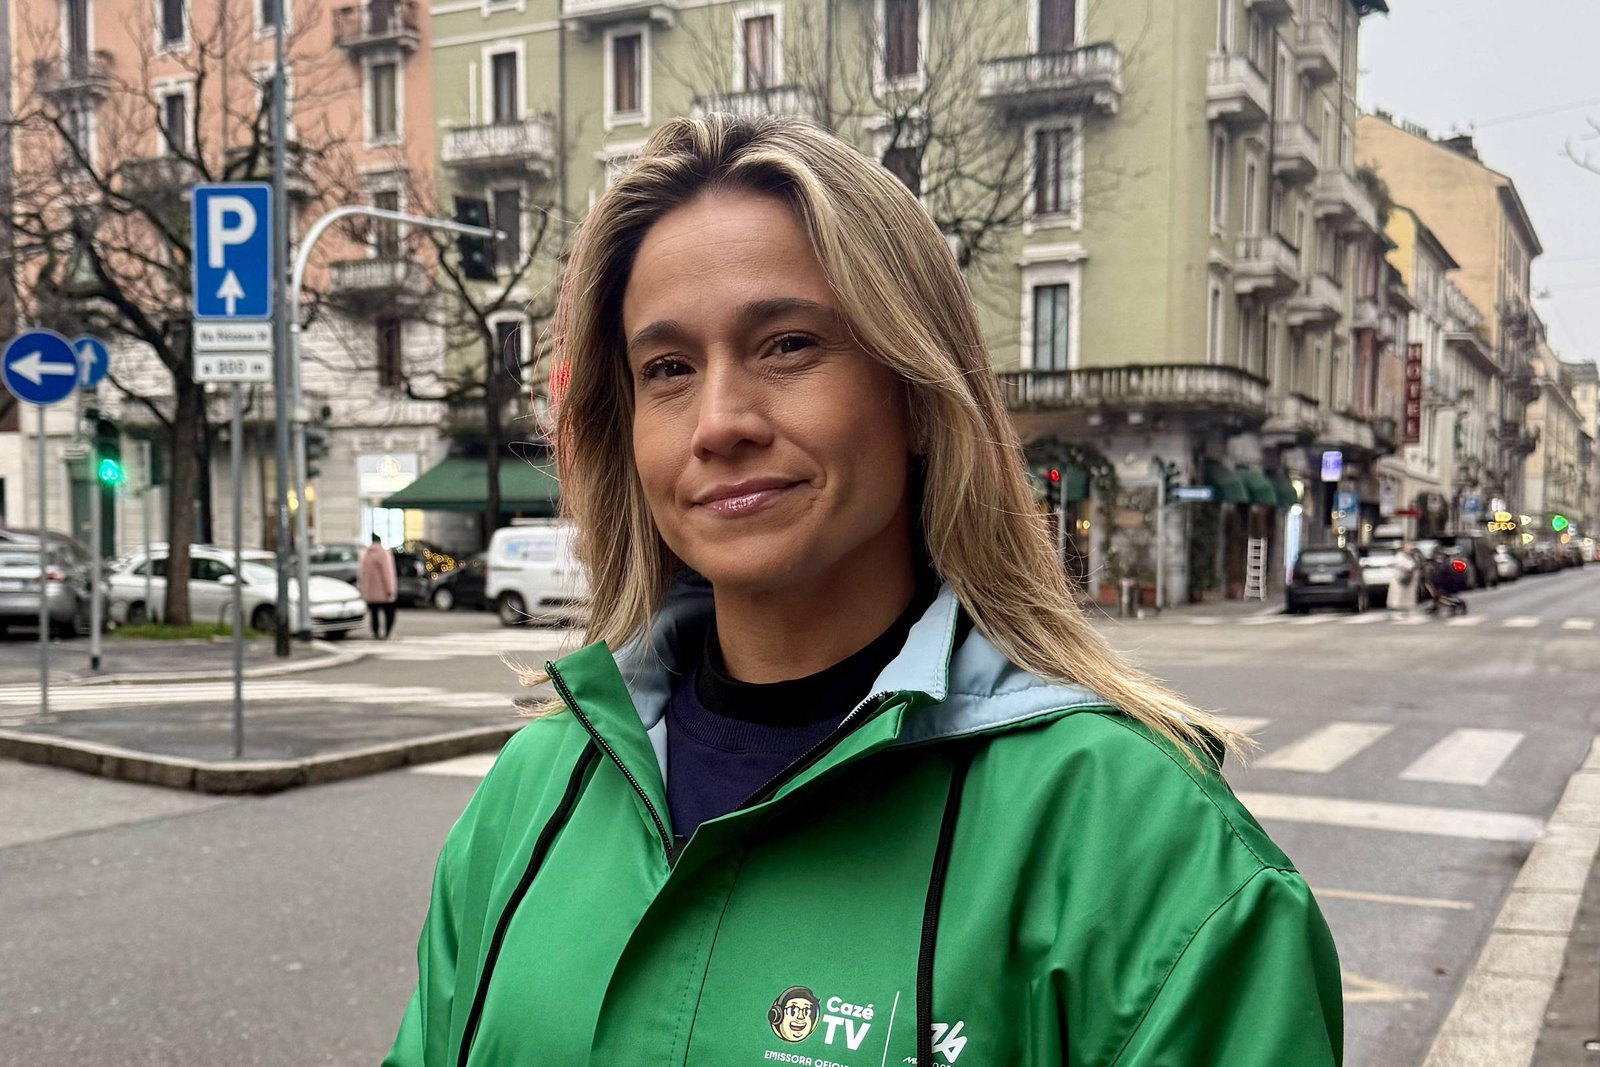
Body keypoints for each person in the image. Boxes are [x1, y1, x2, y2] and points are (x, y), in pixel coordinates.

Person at [385, 115, 1341, 1067]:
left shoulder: (1147, 850)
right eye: (667, 368)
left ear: (917, 392)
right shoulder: (530, 792)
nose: (719, 422)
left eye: (788, 345)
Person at [357, 534, 398, 640]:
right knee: (389, 613)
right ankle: (387, 633)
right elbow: (387, 573)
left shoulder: (366, 554)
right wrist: (390, 589)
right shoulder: (383, 554)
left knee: (374, 614)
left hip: (370, 593)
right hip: (384, 591)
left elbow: (362, 574)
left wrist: (363, 589)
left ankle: (376, 633)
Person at [1391, 541, 1419, 611]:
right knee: (1400, 594)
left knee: (1407, 594)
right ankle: (1399, 606)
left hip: (1409, 578)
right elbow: (1409, 565)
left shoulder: (1411, 556)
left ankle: (1406, 605)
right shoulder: (1400, 556)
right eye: (1408, 547)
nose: (1410, 549)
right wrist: (1412, 567)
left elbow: (1416, 564)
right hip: (1402, 578)